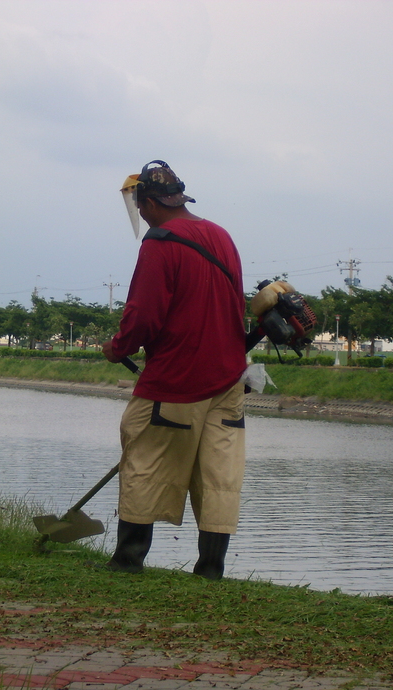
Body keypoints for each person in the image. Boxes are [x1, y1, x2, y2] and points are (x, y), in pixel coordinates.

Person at [102, 160, 247, 580]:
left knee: (144, 456)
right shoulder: (221, 236)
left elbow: (143, 316)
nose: (142, 215)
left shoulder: (159, 241)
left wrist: (118, 348)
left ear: (149, 203)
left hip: (177, 379)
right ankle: (210, 570)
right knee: (219, 473)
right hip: (230, 379)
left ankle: (129, 560)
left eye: (141, 207)